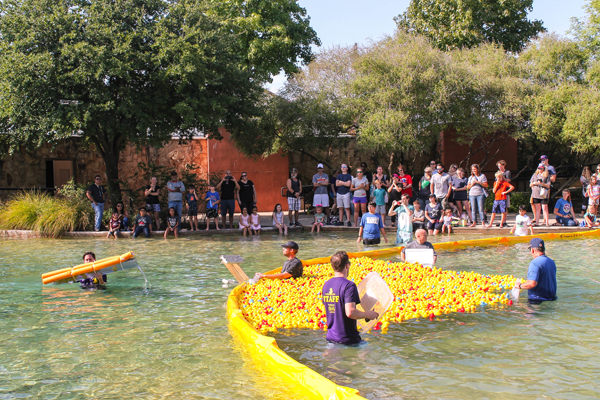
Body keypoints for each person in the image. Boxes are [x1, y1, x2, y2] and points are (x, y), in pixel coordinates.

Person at [322, 251, 379, 345]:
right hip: (348, 340)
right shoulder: (349, 285)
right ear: (347, 265)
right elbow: (350, 312)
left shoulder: (326, 285)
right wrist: (368, 314)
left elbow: (334, 308)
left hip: (331, 338)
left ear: (332, 267)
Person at [514, 238, 557, 304]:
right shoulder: (551, 262)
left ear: (533, 250)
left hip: (537, 300)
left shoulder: (534, 263)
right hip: (552, 298)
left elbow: (532, 283)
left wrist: (519, 285)